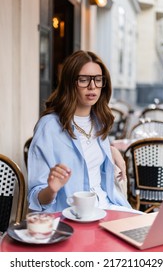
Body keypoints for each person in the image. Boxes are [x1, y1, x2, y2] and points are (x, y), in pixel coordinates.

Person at [27, 50, 133, 213]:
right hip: (71, 216)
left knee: (153, 232)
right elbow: (36, 198)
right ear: (70, 83)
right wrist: (52, 189)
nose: (92, 86)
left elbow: (90, 153)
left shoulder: (100, 120)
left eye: (98, 80)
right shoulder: (48, 127)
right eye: (83, 80)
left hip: (108, 206)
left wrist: (112, 151)